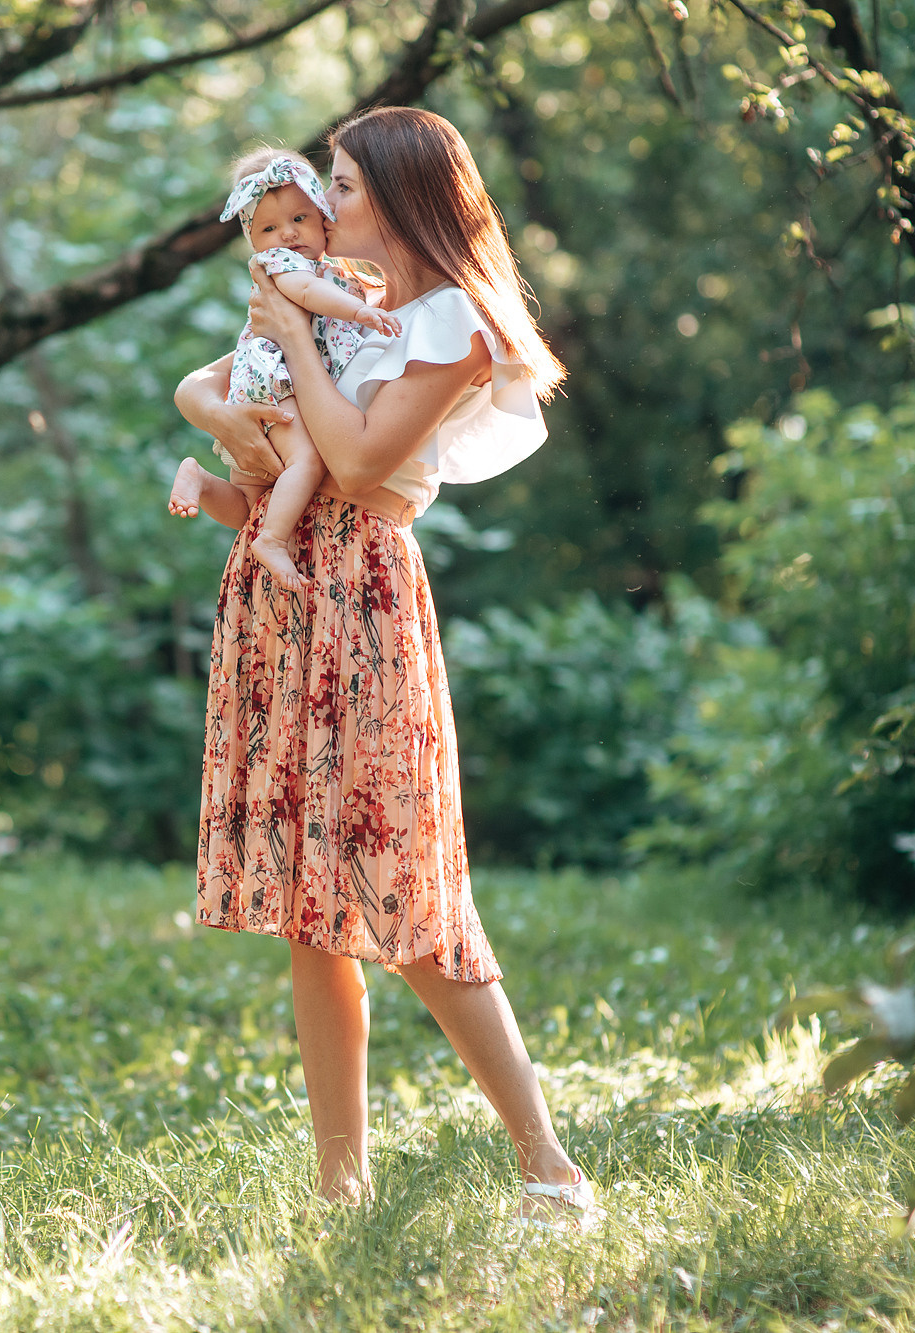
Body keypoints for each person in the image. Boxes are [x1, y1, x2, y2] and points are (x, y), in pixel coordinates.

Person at [172, 107, 600, 1228]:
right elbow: (244, 415)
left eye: (347, 188)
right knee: (314, 919)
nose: (326, 211)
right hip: (280, 590)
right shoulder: (359, 310)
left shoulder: (448, 322)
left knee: (406, 896)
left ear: (405, 198)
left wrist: (297, 341)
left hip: (358, 599)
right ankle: (337, 1189)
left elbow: (360, 467)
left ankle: (549, 1166)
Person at [167, 149, 400, 591]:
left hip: (266, 387)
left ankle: (201, 479)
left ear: (320, 215)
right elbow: (308, 292)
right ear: (252, 240)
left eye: (299, 219)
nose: (288, 235)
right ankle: (272, 540)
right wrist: (360, 313)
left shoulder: (331, 273)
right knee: (306, 460)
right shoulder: (284, 266)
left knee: (247, 505)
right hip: (275, 384)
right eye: (269, 229)